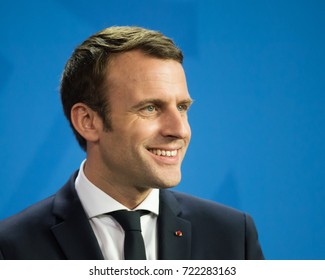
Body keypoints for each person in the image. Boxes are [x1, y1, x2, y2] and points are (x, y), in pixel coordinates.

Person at [0, 26, 264, 260]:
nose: (179, 129)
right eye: (150, 108)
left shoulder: (232, 236)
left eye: (182, 107)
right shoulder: (12, 248)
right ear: (88, 121)